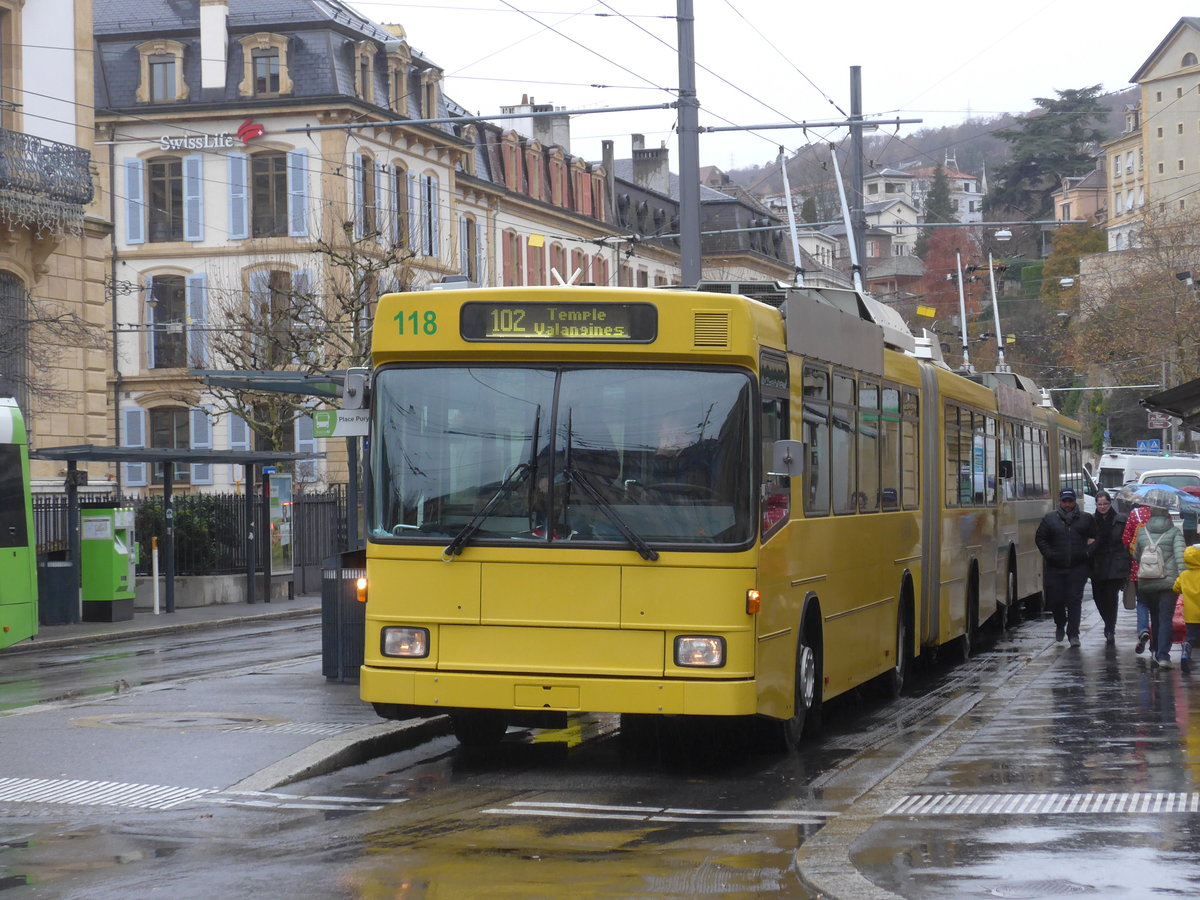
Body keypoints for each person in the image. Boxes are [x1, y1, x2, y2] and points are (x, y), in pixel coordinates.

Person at [1035, 488, 1097, 648]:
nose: (1067, 504)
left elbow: (1096, 538)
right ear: (1060, 502)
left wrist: (1087, 553)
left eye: (1070, 501)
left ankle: (1073, 634)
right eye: (1065, 501)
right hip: (1056, 567)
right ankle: (1060, 623)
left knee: (1074, 600)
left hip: (1078, 567)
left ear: (1075, 501)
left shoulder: (1086, 519)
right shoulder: (1050, 519)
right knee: (1056, 600)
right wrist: (1050, 554)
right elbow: (1040, 538)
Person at [1133, 507, 1186, 668]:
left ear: (1151, 514)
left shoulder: (1142, 532)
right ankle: (1163, 656)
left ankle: (1155, 651)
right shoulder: (1175, 532)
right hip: (1168, 584)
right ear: (1167, 515)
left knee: (1154, 617)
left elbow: (1136, 555)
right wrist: (1184, 580)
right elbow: (1180, 558)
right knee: (1165, 619)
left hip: (1147, 582)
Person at [1089, 491, 1129, 645]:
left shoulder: (1120, 520)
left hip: (1115, 564)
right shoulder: (1091, 521)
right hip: (1097, 564)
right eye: (1100, 504)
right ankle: (1108, 622)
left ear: (1110, 503)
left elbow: (1125, 541)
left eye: (1105, 504)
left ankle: (1110, 628)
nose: (1103, 507)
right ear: (1096, 505)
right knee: (1098, 597)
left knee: (1111, 598)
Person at [1124, 501, 1154, 654]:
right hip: (1158, 569)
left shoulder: (1134, 514)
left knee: (1141, 602)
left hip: (1138, 567)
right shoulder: (1163, 515)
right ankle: (1156, 638)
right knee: (1156, 605)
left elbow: (1126, 538)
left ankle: (1143, 630)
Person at [1172, 544, 1200, 670]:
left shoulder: (1184, 575)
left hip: (1191, 615)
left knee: (1191, 637)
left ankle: (1186, 650)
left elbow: (1175, 588)